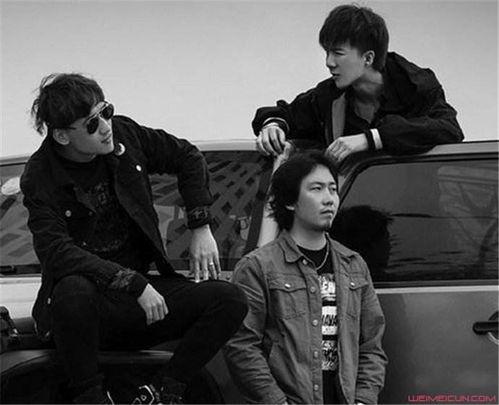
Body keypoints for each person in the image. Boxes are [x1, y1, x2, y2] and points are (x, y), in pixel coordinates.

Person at [21, 73, 248, 404]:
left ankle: (162, 393)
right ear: (62, 135)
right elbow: (57, 252)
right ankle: (91, 399)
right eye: (92, 124)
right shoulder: (40, 176)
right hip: (90, 311)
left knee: (230, 299)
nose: (106, 127)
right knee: (71, 289)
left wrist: (200, 225)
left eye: (106, 111)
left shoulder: (126, 135)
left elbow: (187, 156)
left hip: (142, 302)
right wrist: (132, 282)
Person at [223, 151, 387, 404]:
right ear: (290, 201)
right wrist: (277, 402)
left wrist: (364, 399)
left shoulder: (354, 265)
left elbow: (371, 346)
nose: (329, 199)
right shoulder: (257, 267)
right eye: (316, 189)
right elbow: (241, 346)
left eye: (333, 189)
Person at [252, 4, 464, 163]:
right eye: (327, 52)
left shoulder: (416, 86)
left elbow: (450, 129)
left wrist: (370, 139)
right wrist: (273, 126)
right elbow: (287, 114)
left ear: (368, 58)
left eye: (338, 53)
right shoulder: (330, 94)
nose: (329, 62)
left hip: (412, 204)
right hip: (350, 203)